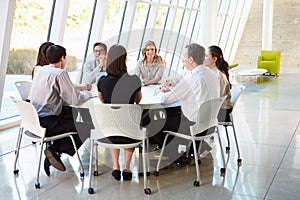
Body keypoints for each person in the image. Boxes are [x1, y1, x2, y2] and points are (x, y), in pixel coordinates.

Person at [28, 44, 92, 176]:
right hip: (48, 122)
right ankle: (54, 150)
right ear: (62, 58)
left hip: (33, 120)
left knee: (76, 115)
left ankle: (55, 152)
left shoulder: (41, 70)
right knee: (87, 124)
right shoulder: (60, 73)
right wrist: (88, 95)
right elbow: (74, 100)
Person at [157, 43, 220, 164]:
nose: (182, 60)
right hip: (210, 124)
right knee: (174, 115)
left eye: (184, 57)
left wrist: (160, 92)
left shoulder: (192, 79)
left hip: (193, 127)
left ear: (191, 60)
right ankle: (189, 149)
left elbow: (166, 100)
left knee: (154, 121)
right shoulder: (213, 75)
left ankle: (174, 156)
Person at [97, 44, 142, 181]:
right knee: (131, 123)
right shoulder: (134, 80)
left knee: (113, 122)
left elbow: (103, 101)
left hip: (109, 131)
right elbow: (138, 100)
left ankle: (116, 166)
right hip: (130, 133)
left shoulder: (102, 81)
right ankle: (126, 167)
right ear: (124, 60)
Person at [204, 45, 232, 122]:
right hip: (218, 110)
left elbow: (216, 99)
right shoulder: (211, 73)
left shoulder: (218, 76)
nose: (203, 58)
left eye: (206, 56)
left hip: (221, 113)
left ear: (214, 59)